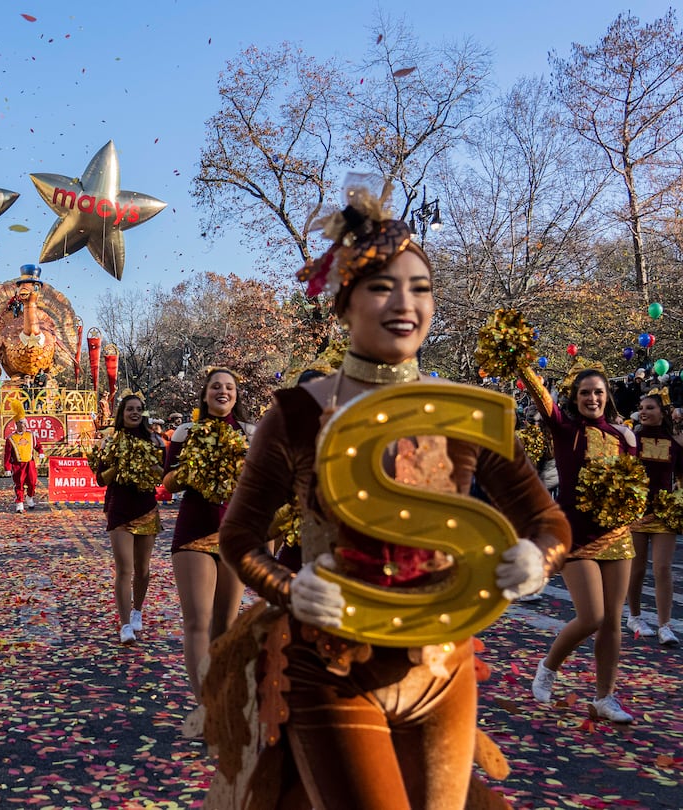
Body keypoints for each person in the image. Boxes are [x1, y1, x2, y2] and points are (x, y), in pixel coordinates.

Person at [212, 184, 568, 808]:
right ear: (345, 304)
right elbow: (240, 537)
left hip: (444, 664)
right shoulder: (296, 414)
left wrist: (540, 558)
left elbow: (547, 520)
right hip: (332, 664)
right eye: (382, 287)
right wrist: (290, 589)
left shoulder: (465, 412)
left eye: (421, 288)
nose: (406, 304)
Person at [519, 359, 639, 722]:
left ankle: (605, 697)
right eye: (585, 393)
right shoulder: (564, 428)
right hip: (576, 536)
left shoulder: (624, 436)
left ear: (608, 396)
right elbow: (541, 397)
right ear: (575, 398)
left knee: (613, 622)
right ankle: (548, 666)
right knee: (591, 617)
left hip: (616, 535)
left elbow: (633, 485)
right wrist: (520, 358)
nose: (592, 398)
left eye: (598, 392)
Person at [163, 368, 253, 700]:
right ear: (205, 394)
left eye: (229, 387)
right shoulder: (185, 432)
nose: (223, 391)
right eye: (216, 386)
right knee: (198, 622)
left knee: (226, 626)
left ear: (236, 395)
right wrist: (194, 468)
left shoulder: (250, 433)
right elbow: (169, 482)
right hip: (194, 532)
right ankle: (206, 706)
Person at [93, 394, 165, 645]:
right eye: (129, 409)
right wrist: (121, 464)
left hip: (146, 508)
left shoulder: (155, 440)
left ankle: (137, 611)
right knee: (125, 570)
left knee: (142, 570)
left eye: (139, 409)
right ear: (122, 414)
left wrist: (150, 466)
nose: (134, 413)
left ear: (143, 414)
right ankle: (125, 626)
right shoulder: (111, 440)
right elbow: (100, 479)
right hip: (119, 509)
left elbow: (163, 476)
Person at [625, 393, 682, 646]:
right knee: (636, 570)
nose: (644, 411)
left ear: (663, 412)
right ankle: (634, 616)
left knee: (662, 569)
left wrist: (678, 502)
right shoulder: (632, 439)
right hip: (637, 512)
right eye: (641, 408)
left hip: (664, 513)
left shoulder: (674, 442)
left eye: (650, 407)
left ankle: (665, 625)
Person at [4, 406, 40, 513]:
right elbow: (7, 454)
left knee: (32, 482)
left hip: (30, 463)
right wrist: (7, 467)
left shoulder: (30, 435)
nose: (24, 426)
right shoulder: (11, 438)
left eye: (25, 423)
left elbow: (37, 445)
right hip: (18, 464)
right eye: (22, 424)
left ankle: (29, 497)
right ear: (17, 425)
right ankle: (19, 503)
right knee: (19, 484)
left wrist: (41, 452)